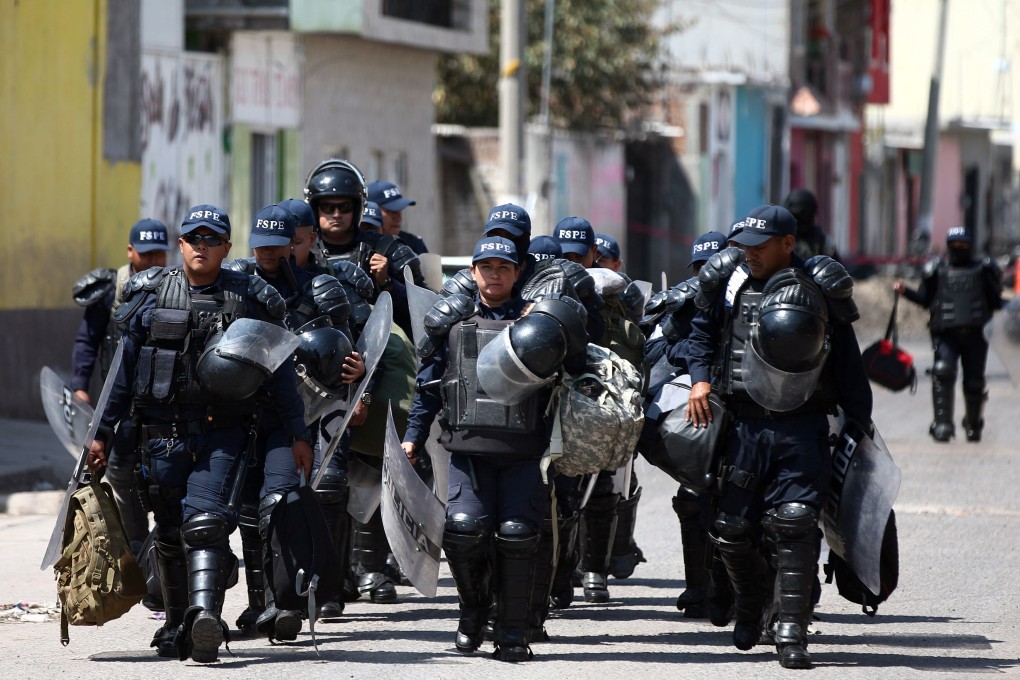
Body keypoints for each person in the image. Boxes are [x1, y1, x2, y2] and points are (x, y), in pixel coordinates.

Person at [86, 205, 312, 663]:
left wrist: (297, 432)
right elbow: (121, 376)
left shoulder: (251, 297)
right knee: (168, 532)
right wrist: (102, 432)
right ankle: (174, 624)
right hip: (160, 434)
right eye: (194, 238)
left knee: (205, 523)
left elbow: (281, 373)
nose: (202, 246)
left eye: (213, 239)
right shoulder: (149, 295)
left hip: (223, 433)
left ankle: (204, 618)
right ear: (181, 245)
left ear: (227, 248)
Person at [684, 204, 872, 669]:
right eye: (744, 246)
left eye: (760, 246)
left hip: (801, 425)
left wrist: (858, 424)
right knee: (731, 529)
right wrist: (700, 379)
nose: (749, 254)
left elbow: (848, 362)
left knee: (794, 522)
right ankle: (749, 602)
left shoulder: (819, 287)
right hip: (744, 425)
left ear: (788, 243)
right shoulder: (729, 284)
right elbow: (701, 334)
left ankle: (792, 632)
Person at [403, 235, 587, 662]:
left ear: (517, 272)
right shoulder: (452, 323)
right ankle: (472, 614)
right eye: (487, 267)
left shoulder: (539, 322)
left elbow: (577, 371)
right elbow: (429, 386)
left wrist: (551, 329)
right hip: (469, 452)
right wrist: (413, 435)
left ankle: (513, 631)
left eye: (504, 267)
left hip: (524, 455)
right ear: (473, 272)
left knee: (518, 536)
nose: (495, 274)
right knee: (465, 531)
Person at [227, 204, 365, 638]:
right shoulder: (236, 282)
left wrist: (357, 382)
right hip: (240, 407)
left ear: (294, 243)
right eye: (260, 244)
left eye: (276, 244)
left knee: (289, 502)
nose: (266, 252)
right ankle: (258, 604)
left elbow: (348, 347)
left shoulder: (320, 289)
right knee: (247, 510)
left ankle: (298, 595)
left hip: (302, 410)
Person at [552, 217, 646, 604]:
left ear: (595, 254)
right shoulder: (546, 285)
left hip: (607, 399)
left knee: (606, 485)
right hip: (562, 400)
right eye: (565, 255)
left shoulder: (616, 294)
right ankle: (563, 569)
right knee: (562, 491)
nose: (573, 262)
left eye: (580, 255)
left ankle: (595, 569)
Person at [640, 230, 728, 619]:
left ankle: (744, 591)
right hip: (698, 415)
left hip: (747, 410)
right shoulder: (683, 302)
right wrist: (695, 360)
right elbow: (655, 347)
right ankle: (699, 588)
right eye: (701, 267)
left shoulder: (752, 297)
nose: (708, 274)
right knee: (693, 500)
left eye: (716, 266)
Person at [71, 218, 170, 555]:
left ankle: (170, 544)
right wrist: (80, 386)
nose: (154, 261)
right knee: (120, 471)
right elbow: (87, 341)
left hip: (163, 401)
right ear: (130, 252)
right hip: (120, 402)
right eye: (147, 254)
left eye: (160, 254)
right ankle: (137, 543)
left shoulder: (176, 287)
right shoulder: (111, 291)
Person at [894, 226, 1004, 442]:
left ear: (970, 246)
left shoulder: (982, 270)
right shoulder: (936, 270)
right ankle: (943, 425)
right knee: (943, 372)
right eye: (954, 245)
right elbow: (926, 300)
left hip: (976, 334)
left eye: (963, 245)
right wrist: (905, 292)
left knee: (974, 382)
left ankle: (973, 425)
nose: (958, 249)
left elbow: (996, 301)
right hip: (946, 334)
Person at [367, 179, 428, 254]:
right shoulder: (357, 244)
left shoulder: (414, 244)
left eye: (399, 210)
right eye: (390, 211)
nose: (398, 217)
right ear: (371, 211)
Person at [783, 188, 841, 261]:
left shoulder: (820, 238)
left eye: (808, 215)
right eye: (801, 215)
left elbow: (836, 265)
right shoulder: (781, 237)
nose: (804, 218)